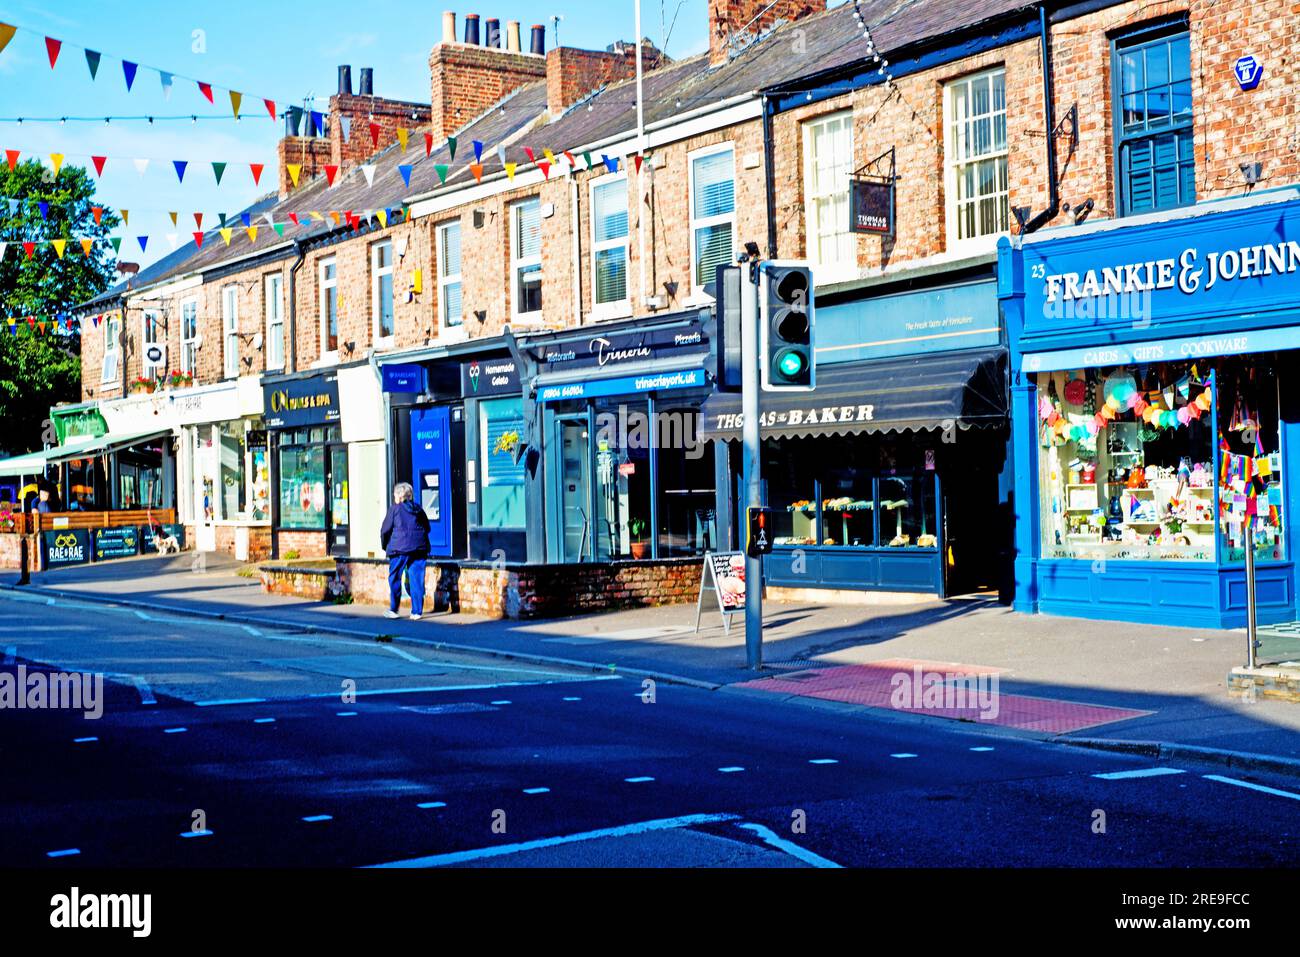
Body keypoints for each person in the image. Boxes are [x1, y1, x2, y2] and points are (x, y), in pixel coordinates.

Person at [379, 482, 431, 621]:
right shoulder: (418, 509)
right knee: (417, 579)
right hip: (419, 548)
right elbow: (427, 527)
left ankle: (394, 609)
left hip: (399, 549)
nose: (394, 497)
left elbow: (385, 530)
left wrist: (386, 546)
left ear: (399, 496)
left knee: (395, 577)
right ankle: (416, 612)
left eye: (395, 494)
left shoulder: (394, 509)